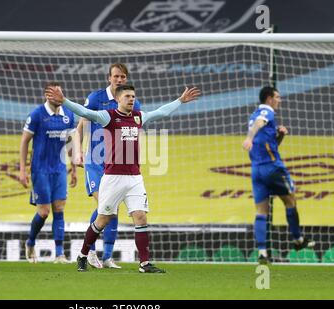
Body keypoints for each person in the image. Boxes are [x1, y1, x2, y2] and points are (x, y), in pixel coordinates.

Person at [46, 84, 201, 273]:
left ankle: (144, 264)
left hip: (135, 177)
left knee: (141, 217)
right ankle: (83, 255)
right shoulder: (107, 116)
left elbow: (161, 112)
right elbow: (85, 112)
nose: (131, 99)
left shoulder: (138, 117)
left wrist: (179, 101)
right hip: (113, 178)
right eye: (127, 96)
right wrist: (65, 101)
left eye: (133, 96)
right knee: (103, 219)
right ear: (118, 99)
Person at [75, 63, 141, 269]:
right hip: (95, 161)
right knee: (104, 206)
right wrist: (77, 151)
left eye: (123, 77)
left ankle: (108, 257)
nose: (119, 80)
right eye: (116, 76)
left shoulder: (131, 101)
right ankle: (91, 251)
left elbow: (135, 130)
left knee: (113, 210)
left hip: (118, 163)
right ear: (109, 78)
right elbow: (79, 127)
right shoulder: (96, 98)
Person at [242, 86, 315, 264]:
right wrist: (249, 138)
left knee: (261, 211)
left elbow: (268, 144)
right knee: (290, 200)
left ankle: (262, 252)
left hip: (256, 170)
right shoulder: (266, 113)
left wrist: (280, 136)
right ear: (269, 98)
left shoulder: (253, 115)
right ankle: (298, 240)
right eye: (277, 97)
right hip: (272, 168)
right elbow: (260, 123)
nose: (280, 100)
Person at [19, 82, 77, 264]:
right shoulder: (37, 114)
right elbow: (24, 141)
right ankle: (30, 242)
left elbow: (69, 141)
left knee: (59, 209)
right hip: (40, 170)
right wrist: (22, 169)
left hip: (59, 169)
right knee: (44, 212)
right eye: (56, 93)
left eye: (61, 92)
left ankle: (59, 254)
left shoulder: (68, 114)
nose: (60, 96)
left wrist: (73, 167)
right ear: (47, 95)